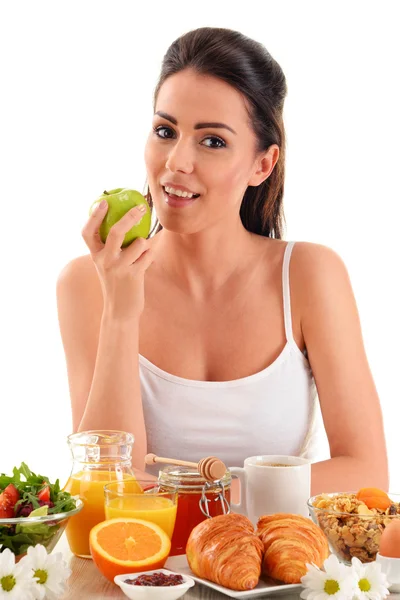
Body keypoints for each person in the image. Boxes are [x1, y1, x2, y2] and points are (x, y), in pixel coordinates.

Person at [56, 26, 388, 495]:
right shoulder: (87, 283)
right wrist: (121, 312)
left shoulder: (310, 276)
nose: (176, 162)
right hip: (142, 567)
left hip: (281, 564)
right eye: (165, 131)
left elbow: (366, 472)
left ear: (262, 165)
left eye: (212, 141)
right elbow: (110, 485)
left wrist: (214, 497)